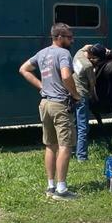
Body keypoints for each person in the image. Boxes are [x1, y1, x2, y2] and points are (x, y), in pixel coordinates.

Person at [20, 23, 81, 200]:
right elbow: (66, 76)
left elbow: (23, 69)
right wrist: (76, 94)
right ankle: (62, 190)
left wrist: (41, 86)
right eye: (69, 37)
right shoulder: (63, 54)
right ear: (59, 37)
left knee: (50, 145)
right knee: (65, 145)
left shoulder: (42, 53)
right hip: (60, 104)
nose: (72, 40)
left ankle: (51, 186)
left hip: (45, 104)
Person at [72, 44, 99, 162]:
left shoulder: (78, 54)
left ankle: (72, 150)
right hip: (82, 95)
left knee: (73, 124)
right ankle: (82, 156)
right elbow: (93, 83)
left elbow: (85, 46)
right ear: (92, 55)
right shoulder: (88, 65)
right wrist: (93, 95)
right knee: (83, 127)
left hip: (72, 94)